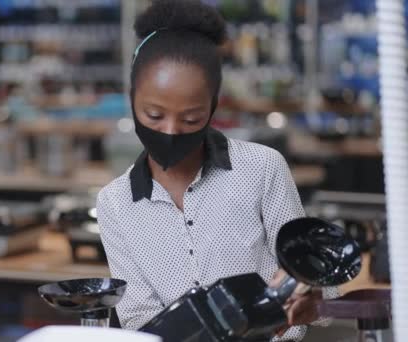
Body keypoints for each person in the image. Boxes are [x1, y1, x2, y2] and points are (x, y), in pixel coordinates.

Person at [96, 1, 337, 341]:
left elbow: (324, 294)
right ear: (132, 99)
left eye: (191, 118)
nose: (171, 131)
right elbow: (139, 321)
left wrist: (312, 293)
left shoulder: (261, 169)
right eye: (153, 115)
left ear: (213, 107)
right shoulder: (115, 203)